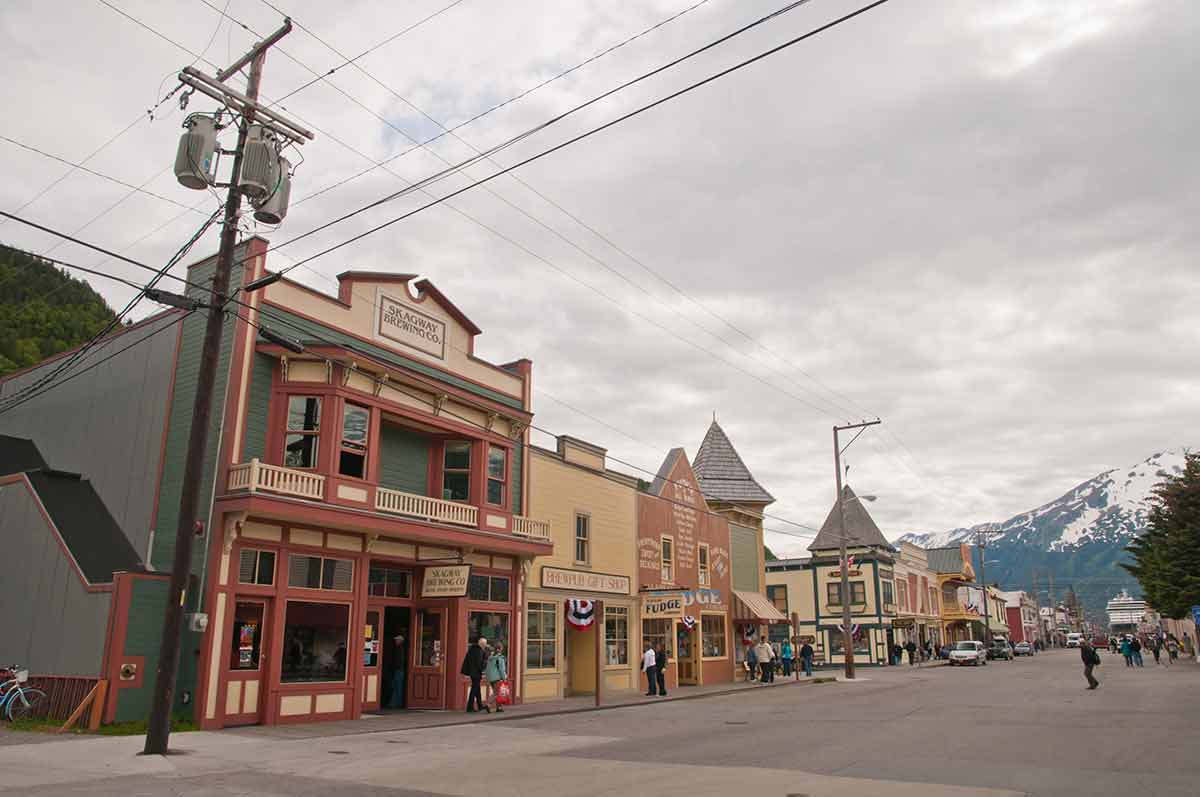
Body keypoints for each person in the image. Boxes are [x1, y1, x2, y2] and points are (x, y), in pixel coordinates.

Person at [461, 636, 487, 713]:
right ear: (481, 644)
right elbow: (479, 663)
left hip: (472, 672)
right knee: (474, 689)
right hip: (476, 673)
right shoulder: (479, 651)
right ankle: (469, 707)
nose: (485, 645)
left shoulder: (472, 649)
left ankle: (480, 705)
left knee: (477, 688)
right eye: (484, 644)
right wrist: (482, 671)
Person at [484, 641, 508, 712]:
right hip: (497, 677)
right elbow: (501, 669)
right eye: (501, 648)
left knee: (498, 692)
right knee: (496, 693)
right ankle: (488, 704)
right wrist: (504, 678)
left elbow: (487, 668)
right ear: (500, 649)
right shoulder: (500, 658)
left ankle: (499, 707)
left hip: (490, 678)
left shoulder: (490, 658)